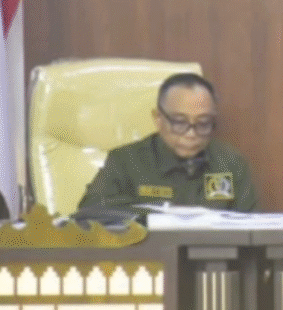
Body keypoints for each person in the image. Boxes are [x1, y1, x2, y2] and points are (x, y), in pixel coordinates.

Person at [78, 73, 257, 211]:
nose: (191, 134)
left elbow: (252, 227)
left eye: (203, 123)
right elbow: (90, 211)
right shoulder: (126, 162)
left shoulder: (231, 163)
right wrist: (155, 216)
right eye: (179, 122)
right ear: (158, 119)